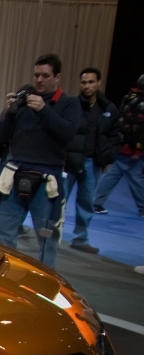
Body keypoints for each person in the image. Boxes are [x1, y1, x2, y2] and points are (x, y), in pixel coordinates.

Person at [0, 53, 80, 268]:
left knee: (47, 237)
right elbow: (1, 136)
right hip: (14, 174)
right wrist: (10, 112)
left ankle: (45, 283)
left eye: (45, 76)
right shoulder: (23, 103)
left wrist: (44, 110)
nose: (39, 80)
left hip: (47, 179)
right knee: (3, 234)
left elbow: (68, 134)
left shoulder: (69, 103)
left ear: (57, 77)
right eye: (36, 75)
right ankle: (6, 281)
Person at [63, 67, 121, 253]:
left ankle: (80, 239)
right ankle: (51, 235)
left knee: (87, 202)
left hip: (93, 163)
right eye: (83, 82)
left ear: (98, 83)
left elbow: (115, 135)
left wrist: (108, 159)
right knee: (58, 200)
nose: (87, 86)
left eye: (90, 82)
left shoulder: (109, 109)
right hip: (70, 161)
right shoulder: (72, 105)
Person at [93, 73, 144, 218]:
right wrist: (136, 149)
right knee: (136, 177)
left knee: (113, 174)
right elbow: (138, 127)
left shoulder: (129, 97)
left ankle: (95, 202)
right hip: (133, 147)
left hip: (121, 144)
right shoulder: (142, 102)